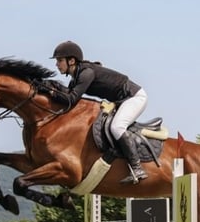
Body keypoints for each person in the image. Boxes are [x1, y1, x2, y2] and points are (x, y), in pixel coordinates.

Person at [49, 40, 148, 184]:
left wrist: (52, 92)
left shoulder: (86, 73)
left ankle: (137, 168)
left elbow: (71, 98)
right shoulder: (77, 76)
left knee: (117, 126)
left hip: (134, 97)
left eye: (59, 60)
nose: (57, 64)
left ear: (71, 61)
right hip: (121, 101)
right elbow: (67, 93)